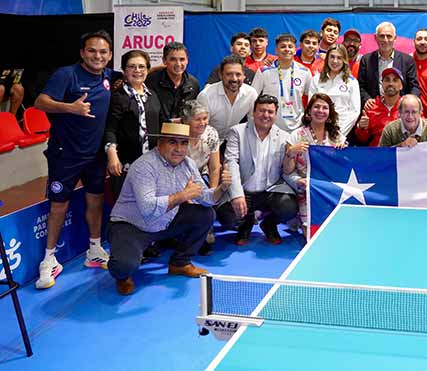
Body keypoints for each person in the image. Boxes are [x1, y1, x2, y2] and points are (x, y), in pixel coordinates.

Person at [107, 123, 232, 295]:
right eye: (173, 142)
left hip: (164, 221)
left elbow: (206, 198)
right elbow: (147, 208)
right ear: (160, 143)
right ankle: (121, 276)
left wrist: (222, 188)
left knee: (206, 214)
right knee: (124, 265)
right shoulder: (144, 166)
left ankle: (179, 263)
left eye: (183, 143)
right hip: (132, 226)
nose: (179, 149)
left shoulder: (188, 164)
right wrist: (183, 195)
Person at [33, 30, 115, 289]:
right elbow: (40, 102)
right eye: (92, 51)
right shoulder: (65, 75)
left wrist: (166, 65)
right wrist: (71, 108)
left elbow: (140, 71)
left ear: (110, 55)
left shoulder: (108, 77)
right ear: (82, 53)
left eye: (103, 52)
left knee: (96, 201)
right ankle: (49, 260)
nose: (97, 56)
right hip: (64, 155)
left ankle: (94, 249)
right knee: (58, 207)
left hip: (94, 156)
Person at [217, 94, 298, 246]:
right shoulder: (237, 132)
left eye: (270, 112)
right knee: (226, 217)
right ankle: (246, 222)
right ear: (253, 113)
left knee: (289, 207)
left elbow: (286, 170)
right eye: (261, 111)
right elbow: (231, 163)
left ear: (275, 114)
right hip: (244, 190)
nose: (266, 115)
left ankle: (268, 224)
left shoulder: (284, 136)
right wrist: (237, 195)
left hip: (270, 190)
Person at [284, 93, 346, 238]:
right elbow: (287, 171)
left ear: (329, 113)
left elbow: (343, 169)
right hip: (306, 189)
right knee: (312, 236)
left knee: (338, 232)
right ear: (309, 111)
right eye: (316, 106)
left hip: (330, 188)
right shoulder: (295, 136)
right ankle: (299, 219)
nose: (320, 110)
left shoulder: (337, 137)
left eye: (325, 108)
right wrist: (291, 153)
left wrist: (343, 153)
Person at [105, 49, 161, 200]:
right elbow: (110, 129)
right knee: (126, 211)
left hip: (151, 166)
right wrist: (112, 155)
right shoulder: (118, 97)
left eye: (142, 66)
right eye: (132, 66)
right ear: (124, 70)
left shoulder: (153, 96)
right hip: (125, 166)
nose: (137, 70)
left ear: (148, 70)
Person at [255, 33, 313, 133]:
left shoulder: (305, 72)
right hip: (270, 126)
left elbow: (311, 99)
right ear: (276, 50)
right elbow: (253, 98)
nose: (287, 49)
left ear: (295, 50)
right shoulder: (264, 71)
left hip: (297, 127)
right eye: (282, 47)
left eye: (290, 47)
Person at [183, 100, 221, 255]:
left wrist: (212, 193)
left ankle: (205, 236)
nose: (203, 123)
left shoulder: (211, 134)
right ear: (186, 121)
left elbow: (214, 167)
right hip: (180, 176)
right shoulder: (177, 133)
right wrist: (187, 195)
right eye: (197, 119)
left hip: (202, 173)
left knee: (205, 201)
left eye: (205, 118)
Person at [197, 55, 259, 141]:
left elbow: (253, 124)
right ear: (221, 75)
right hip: (206, 141)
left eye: (238, 74)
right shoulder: (206, 95)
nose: (234, 79)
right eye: (229, 74)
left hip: (232, 141)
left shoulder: (251, 94)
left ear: (244, 76)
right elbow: (199, 129)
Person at [358, 22, 419, 108]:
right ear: (376, 38)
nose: (385, 40)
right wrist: (366, 99)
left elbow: (414, 87)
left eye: (389, 36)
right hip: (375, 109)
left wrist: (408, 103)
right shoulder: (366, 60)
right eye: (382, 36)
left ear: (395, 38)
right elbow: (360, 86)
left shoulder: (408, 60)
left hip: (400, 110)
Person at [309, 44, 361, 138]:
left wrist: (338, 134)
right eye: (332, 57)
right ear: (327, 58)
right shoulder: (316, 80)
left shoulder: (352, 82)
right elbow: (311, 107)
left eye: (339, 58)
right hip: (318, 131)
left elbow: (355, 111)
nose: (335, 61)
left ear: (344, 60)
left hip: (341, 132)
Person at [145, 42, 200, 123]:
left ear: (187, 60)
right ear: (164, 60)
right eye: (173, 59)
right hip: (156, 132)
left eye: (182, 59)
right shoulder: (151, 81)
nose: (178, 64)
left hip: (183, 132)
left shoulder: (193, 84)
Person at [353, 67, 403, 147]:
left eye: (395, 80)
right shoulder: (372, 106)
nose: (391, 83)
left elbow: (421, 130)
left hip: (402, 154)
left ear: (401, 86)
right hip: (378, 154)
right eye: (387, 80)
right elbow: (362, 138)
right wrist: (362, 128)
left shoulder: (409, 106)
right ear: (382, 84)